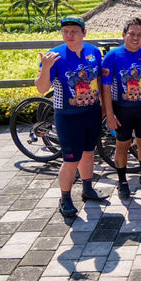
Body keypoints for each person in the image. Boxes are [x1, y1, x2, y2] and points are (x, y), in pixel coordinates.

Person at [36, 17, 109, 217]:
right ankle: (65, 198)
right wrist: (46, 68)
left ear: (84, 33)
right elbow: (42, 89)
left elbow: (100, 81)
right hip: (68, 115)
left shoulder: (93, 52)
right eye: (65, 31)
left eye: (74, 31)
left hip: (92, 111)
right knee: (70, 160)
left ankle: (87, 189)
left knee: (88, 152)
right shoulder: (54, 56)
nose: (69, 35)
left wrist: (103, 105)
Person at [101, 17, 141, 199]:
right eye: (131, 33)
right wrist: (109, 114)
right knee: (122, 145)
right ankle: (122, 180)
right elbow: (106, 87)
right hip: (121, 109)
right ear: (124, 34)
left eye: (140, 35)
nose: (135, 37)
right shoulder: (113, 56)